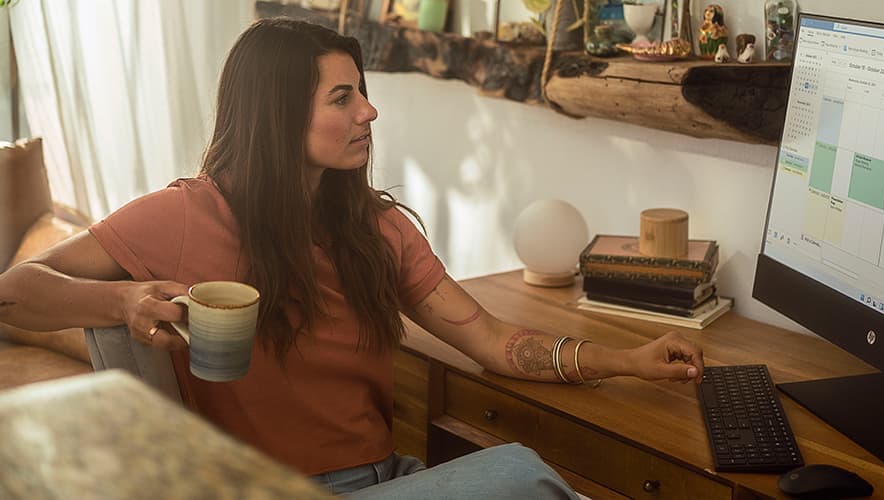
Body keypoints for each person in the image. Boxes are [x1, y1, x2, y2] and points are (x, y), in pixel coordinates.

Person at [0, 18, 704, 498]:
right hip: (260, 488)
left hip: (383, 477)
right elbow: (15, 290)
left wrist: (627, 361)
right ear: (279, 115)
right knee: (522, 472)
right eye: (343, 97)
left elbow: (490, 339)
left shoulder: (378, 229)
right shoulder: (185, 215)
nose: (368, 113)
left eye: (362, 92)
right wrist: (120, 301)